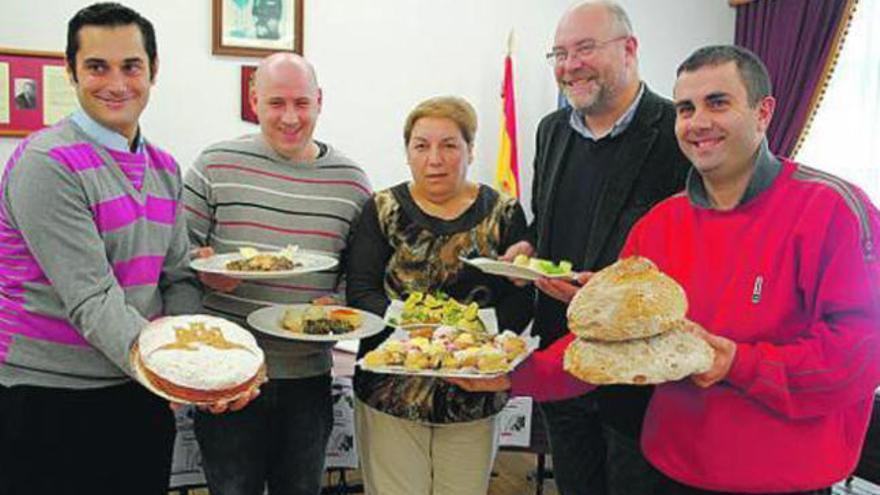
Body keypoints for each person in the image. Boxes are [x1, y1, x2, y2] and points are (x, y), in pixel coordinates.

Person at [506, 44, 880, 495]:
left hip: (783, 482)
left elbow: (859, 358)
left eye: (717, 102)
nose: (698, 122)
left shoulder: (834, 209)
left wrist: (736, 363)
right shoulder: (659, 224)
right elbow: (605, 352)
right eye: (685, 108)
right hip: (666, 471)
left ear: (763, 113)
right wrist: (507, 373)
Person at [0, 3, 232, 494]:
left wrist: (187, 362)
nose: (116, 83)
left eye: (131, 66)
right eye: (96, 67)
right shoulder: (47, 163)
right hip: (47, 398)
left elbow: (179, 278)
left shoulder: (165, 168)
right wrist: (179, 372)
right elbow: (92, 299)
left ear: (153, 70)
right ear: (71, 71)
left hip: (137, 391)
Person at [500, 1, 690, 494]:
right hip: (561, 357)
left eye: (585, 48)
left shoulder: (677, 133)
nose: (569, 64)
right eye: (559, 53)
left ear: (629, 49)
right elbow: (548, 222)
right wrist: (528, 246)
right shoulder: (552, 130)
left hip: (637, 375)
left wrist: (603, 290)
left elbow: (690, 251)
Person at [183, 52, 372, 495]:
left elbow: (358, 273)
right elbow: (177, 256)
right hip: (228, 376)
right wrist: (202, 269)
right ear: (254, 101)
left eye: (302, 103)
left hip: (307, 377)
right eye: (276, 103)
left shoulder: (352, 182)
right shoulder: (215, 164)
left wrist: (339, 301)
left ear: (320, 101)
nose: (290, 117)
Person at [345, 96, 534, 495]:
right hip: (390, 390)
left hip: (473, 392)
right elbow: (361, 292)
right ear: (407, 152)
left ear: (470, 150)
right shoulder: (380, 209)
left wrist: (469, 341)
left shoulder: (504, 212)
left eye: (449, 145)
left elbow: (520, 298)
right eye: (421, 145)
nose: (435, 159)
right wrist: (419, 331)